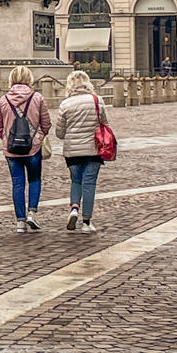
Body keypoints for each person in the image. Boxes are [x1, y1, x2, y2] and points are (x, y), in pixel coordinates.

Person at [0, 66, 52, 233]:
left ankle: (20, 221)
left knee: (17, 182)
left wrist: (6, 139)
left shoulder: (3, 100)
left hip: (11, 149)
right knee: (34, 180)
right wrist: (38, 137)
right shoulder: (37, 98)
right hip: (33, 147)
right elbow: (46, 123)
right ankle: (32, 212)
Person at [55, 70, 109, 233]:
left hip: (72, 150)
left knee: (76, 180)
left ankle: (74, 208)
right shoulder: (97, 100)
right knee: (89, 183)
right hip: (93, 149)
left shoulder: (65, 104)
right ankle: (86, 221)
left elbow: (60, 133)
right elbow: (105, 123)